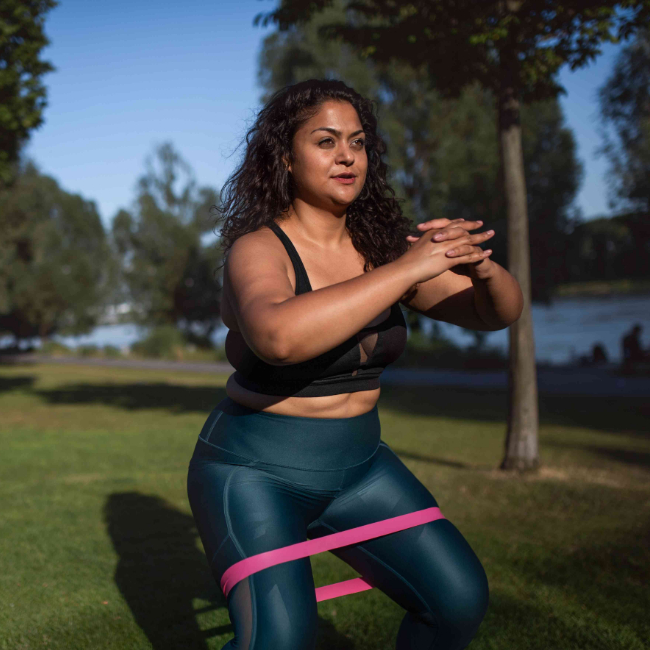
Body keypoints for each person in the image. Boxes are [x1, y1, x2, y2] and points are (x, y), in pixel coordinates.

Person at [187, 79, 523, 650]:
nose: (346, 155)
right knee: (282, 638)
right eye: (325, 141)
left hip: (359, 469)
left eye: (359, 142)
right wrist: (408, 268)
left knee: (457, 600)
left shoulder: (379, 247)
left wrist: (479, 266)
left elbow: (496, 314)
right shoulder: (258, 247)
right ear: (285, 158)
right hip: (253, 472)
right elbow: (278, 337)